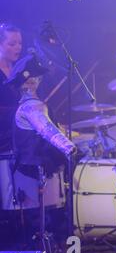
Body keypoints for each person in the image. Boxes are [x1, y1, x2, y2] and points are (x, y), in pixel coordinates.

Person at [4, 54, 76, 243]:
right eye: (29, 80)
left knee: (42, 220)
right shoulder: (32, 106)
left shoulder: (28, 105)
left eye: (35, 79)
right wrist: (69, 147)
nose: (33, 82)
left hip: (33, 166)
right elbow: (46, 129)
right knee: (45, 220)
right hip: (35, 168)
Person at [0, 23, 22, 153]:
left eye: (20, 43)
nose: (18, 48)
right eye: (12, 44)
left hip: (16, 138)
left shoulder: (18, 71)